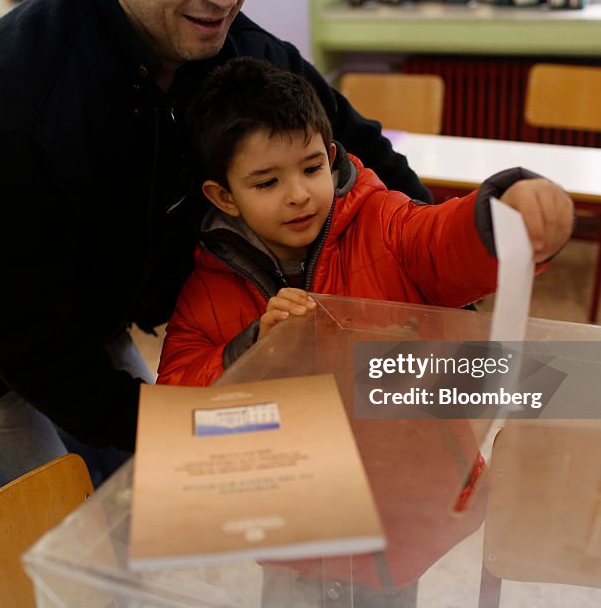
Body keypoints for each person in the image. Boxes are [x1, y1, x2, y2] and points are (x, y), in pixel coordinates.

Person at [0, 0, 435, 503]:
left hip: (76, 311)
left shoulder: (211, 33)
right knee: (68, 532)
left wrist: (444, 264)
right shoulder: (7, 110)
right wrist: (208, 425)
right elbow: (26, 345)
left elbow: (360, 149)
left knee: (149, 507)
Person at [157, 57, 574, 387]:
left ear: (332, 158)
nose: (299, 194)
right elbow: (177, 394)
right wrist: (253, 349)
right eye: (267, 183)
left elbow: (438, 241)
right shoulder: (207, 290)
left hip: (417, 468)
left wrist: (500, 214)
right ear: (224, 197)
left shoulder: (382, 222)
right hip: (300, 481)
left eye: (311, 168)